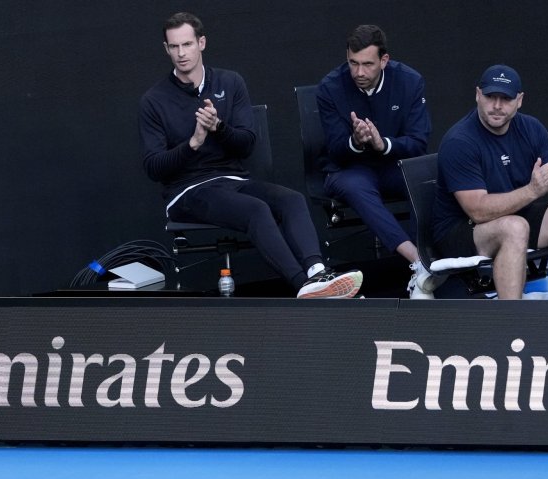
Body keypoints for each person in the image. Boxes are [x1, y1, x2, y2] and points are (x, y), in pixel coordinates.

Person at [139, 12, 363, 298]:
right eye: (174, 47)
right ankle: (303, 286)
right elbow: (154, 168)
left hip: (232, 179)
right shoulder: (153, 100)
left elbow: (246, 145)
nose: (181, 53)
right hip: (187, 191)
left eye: (187, 44)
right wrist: (193, 143)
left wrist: (218, 127)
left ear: (202, 43)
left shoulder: (230, 83)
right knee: (256, 209)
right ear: (166, 49)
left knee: (291, 200)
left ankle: (317, 273)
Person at [433, 64, 548, 300]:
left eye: (506, 98)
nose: (497, 106)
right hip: (459, 230)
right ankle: (515, 325)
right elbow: (478, 211)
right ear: (478, 95)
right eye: (491, 97)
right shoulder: (460, 141)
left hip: (515, 214)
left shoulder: (532, 128)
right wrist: (532, 190)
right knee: (514, 227)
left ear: (519, 100)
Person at [316, 24, 436, 298]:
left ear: (384, 60)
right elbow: (335, 149)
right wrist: (357, 141)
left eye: (367, 64)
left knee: (430, 174)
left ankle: (447, 255)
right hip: (350, 168)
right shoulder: (330, 87)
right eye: (353, 63)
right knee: (356, 186)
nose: (359, 72)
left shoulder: (409, 81)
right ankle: (420, 262)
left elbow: (418, 142)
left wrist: (383, 144)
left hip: (393, 164)